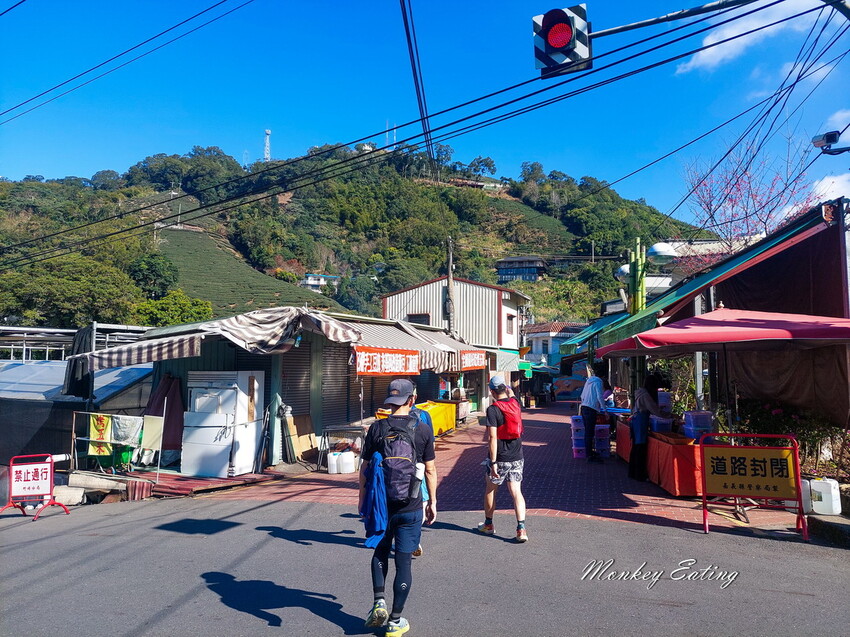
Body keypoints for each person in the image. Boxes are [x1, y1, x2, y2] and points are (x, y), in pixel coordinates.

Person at [359, 379, 437, 637]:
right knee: (403, 562)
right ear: (411, 399)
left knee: (381, 551)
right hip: (411, 505)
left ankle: (378, 601)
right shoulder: (423, 429)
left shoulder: (377, 428)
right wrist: (432, 501)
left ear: (390, 401)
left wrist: (362, 500)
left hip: (381, 505)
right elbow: (431, 470)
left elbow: (365, 469)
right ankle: (395, 621)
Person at [477, 374, 528, 543]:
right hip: (517, 454)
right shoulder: (515, 403)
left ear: (491, 391)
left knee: (491, 489)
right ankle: (521, 528)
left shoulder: (493, 410)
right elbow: (512, 393)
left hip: (499, 457)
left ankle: (489, 525)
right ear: (505, 389)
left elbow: (492, 438)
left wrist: (493, 462)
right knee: (516, 491)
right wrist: (509, 390)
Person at [408, 386, 432, 558]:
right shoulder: (424, 415)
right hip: (419, 466)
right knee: (422, 502)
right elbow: (431, 441)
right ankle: (413, 538)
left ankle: (406, 537)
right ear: (414, 397)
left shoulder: (388, 419)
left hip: (395, 470)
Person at [629, 374, 665, 481]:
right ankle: (640, 475)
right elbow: (654, 410)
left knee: (636, 447)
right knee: (640, 448)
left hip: (636, 420)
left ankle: (633, 472)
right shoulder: (646, 395)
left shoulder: (640, 392)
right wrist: (668, 415)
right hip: (640, 421)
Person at [579, 362, 608, 463]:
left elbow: (582, 396)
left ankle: (589, 452)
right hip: (591, 409)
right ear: (603, 376)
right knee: (589, 433)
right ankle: (589, 455)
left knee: (588, 432)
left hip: (584, 407)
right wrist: (605, 410)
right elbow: (600, 396)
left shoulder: (589, 381)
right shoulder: (598, 382)